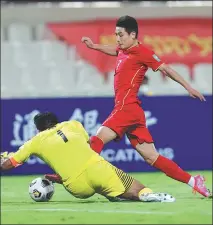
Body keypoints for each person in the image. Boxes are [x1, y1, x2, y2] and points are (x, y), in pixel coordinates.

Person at [80, 15, 211, 198]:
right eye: (116, 35)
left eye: (120, 35)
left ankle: (73, 175)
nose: (118, 39)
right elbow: (115, 50)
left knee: (97, 139)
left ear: (132, 34)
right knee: (152, 157)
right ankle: (194, 181)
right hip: (132, 112)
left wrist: (188, 87)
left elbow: (167, 69)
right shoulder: (124, 49)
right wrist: (94, 46)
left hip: (127, 107)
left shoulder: (143, 52)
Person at [0, 112, 175, 203]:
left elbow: (9, 164)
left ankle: (113, 194)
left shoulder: (34, 141)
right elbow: (86, 148)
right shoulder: (73, 124)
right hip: (96, 168)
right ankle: (143, 195)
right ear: (56, 121)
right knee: (136, 188)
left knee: (104, 190)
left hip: (76, 187)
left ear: (37, 129)